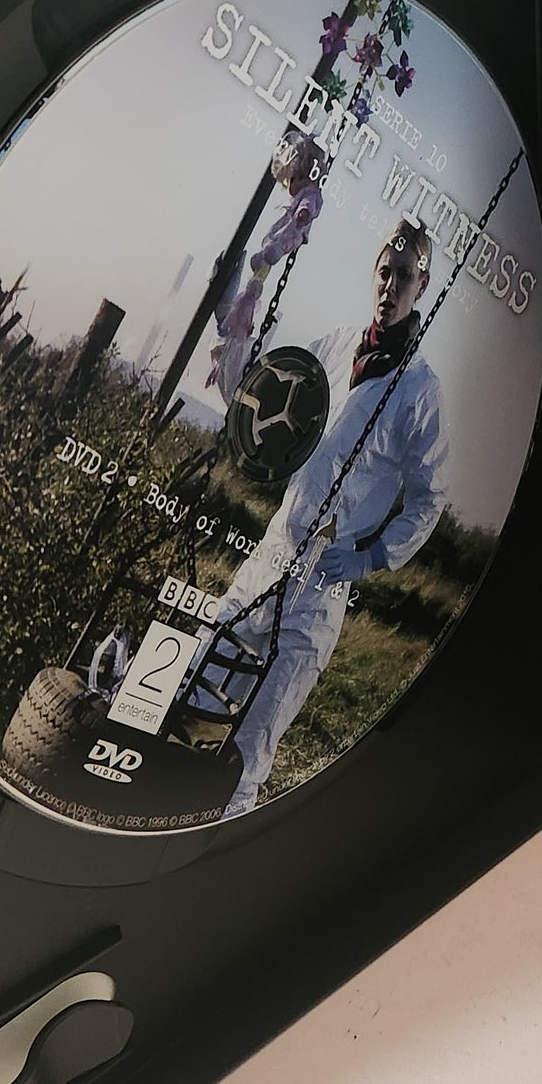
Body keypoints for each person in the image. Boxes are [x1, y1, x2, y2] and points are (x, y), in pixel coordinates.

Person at [191, 218, 447, 814]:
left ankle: (222, 831)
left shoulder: (420, 392)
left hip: (322, 584)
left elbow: (429, 498)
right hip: (272, 552)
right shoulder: (333, 348)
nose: (390, 286)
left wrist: (371, 557)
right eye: (384, 272)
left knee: (252, 744)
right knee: (195, 684)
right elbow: (257, 399)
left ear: (422, 285)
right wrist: (235, 317)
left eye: (404, 276)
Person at [206, 127, 329, 403]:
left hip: (283, 241)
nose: (291, 187)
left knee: (263, 264)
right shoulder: (301, 197)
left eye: (294, 179)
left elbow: (308, 207)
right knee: (256, 275)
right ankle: (236, 301)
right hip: (278, 243)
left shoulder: (309, 197)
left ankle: (234, 302)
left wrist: (302, 215)